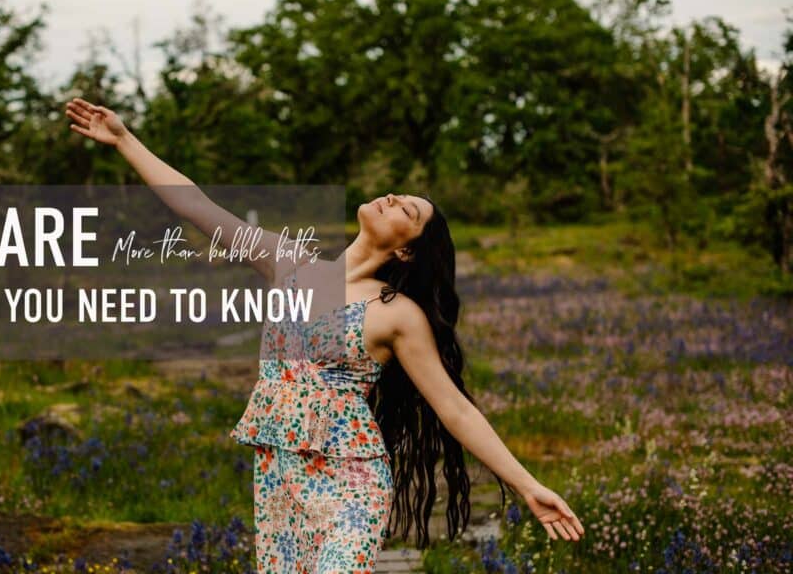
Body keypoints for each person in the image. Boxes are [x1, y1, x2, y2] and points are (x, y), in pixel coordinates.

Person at [65, 98, 585, 572]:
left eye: (407, 209)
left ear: (406, 251)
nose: (391, 198)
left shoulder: (396, 314)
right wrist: (125, 140)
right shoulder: (288, 264)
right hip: (278, 475)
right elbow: (197, 207)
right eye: (398, 195)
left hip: (351, 483)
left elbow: (456, 409)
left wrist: (528, 486)